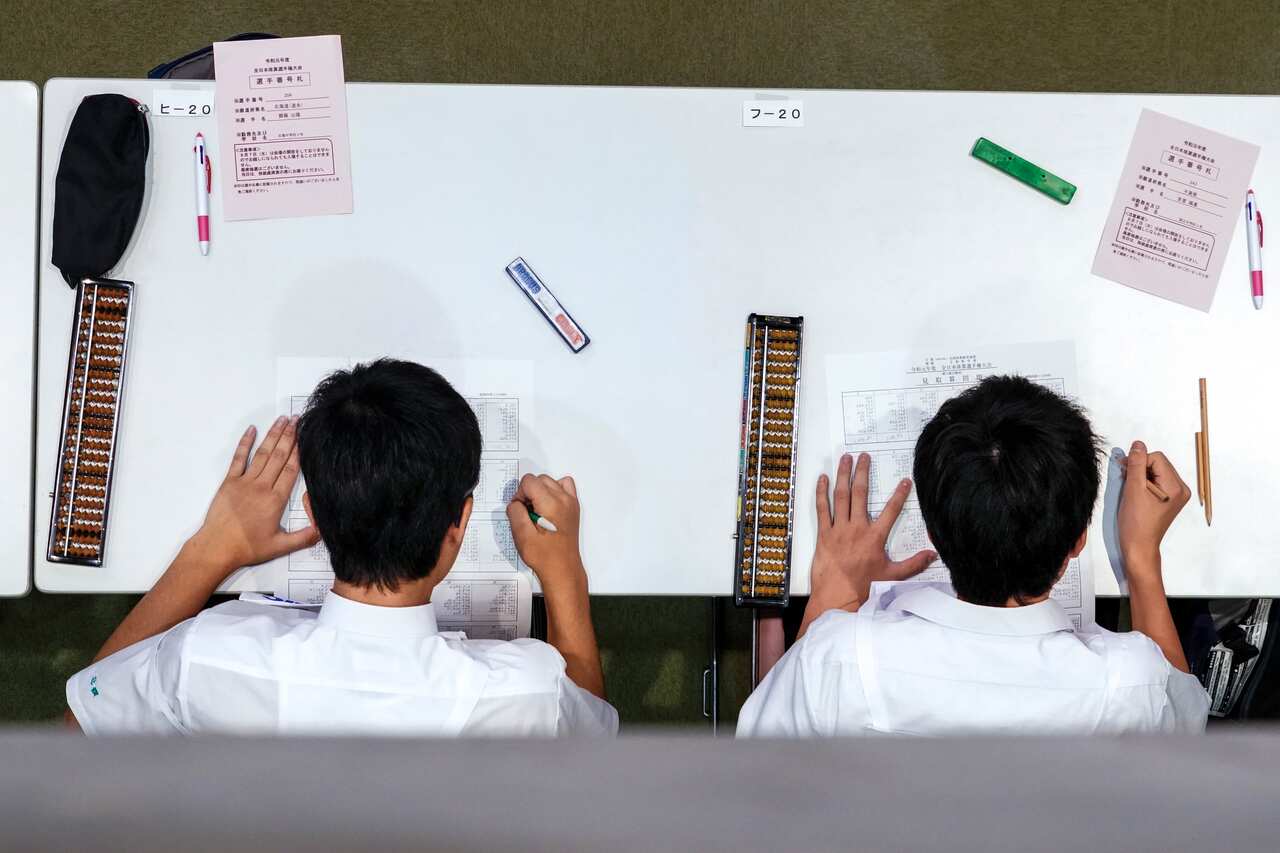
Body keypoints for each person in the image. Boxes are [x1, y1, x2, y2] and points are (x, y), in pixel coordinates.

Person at [65, 358, 618, 736]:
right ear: (461, 523)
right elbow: (587, 724)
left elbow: (82, 725)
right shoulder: (529, 696)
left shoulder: (203, 659)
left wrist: (210, 552)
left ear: (315, 516)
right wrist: (565, 571)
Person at [737, 375, 1209, 736]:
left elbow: (760, 768)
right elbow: (1185, 730)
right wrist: (1142, 557)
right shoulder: (1130, 683)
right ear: (1078, 541)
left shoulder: (837, 660)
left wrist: (835, 595)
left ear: (932, 534)